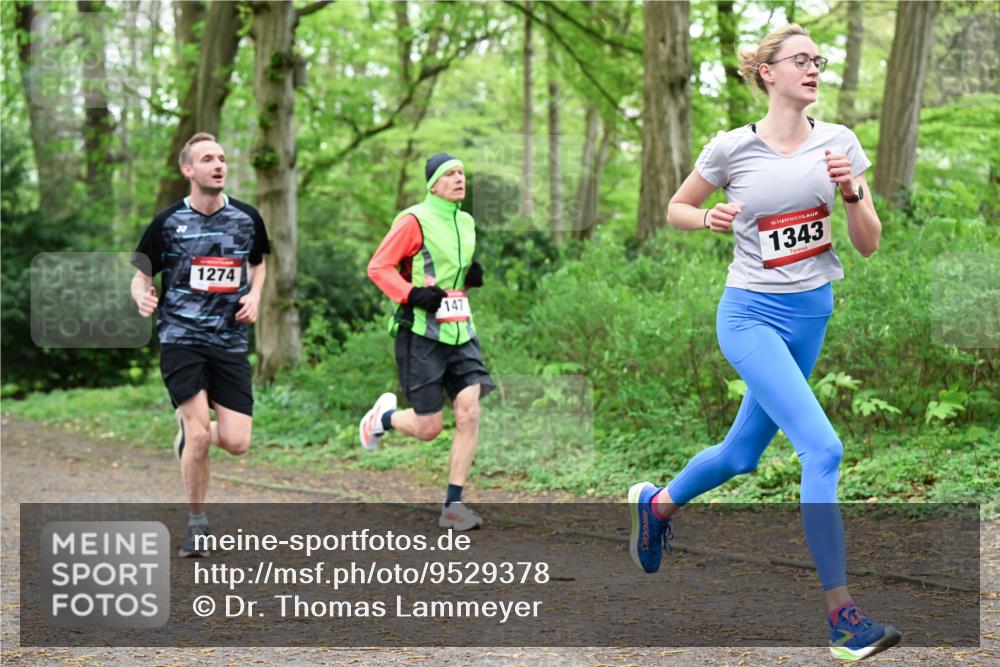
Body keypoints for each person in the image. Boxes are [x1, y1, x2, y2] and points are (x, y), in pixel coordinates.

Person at [627, 25, 901, 662]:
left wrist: (853, 191)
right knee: (823, 448)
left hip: (811, 314)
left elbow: (868, 242)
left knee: (742, 454)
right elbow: (675, 207)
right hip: (749, 316)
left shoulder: (840, 143)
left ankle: (657, 505)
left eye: (818, 60)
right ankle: (843, 619)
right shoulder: (731, 149)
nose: (813, 69)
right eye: (800, 60)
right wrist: (707, 217)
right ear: (766, 72)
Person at [131, 132, 270, 557]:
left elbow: (259, 263)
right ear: (188, 170)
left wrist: (255, 295)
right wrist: (140, 294)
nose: (219, 165)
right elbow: (140, 272)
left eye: (223, 158)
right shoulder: (167, 222)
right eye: (208, 159)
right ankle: (197, 524)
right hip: (181, 337)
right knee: (198, 436)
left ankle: (193, 435)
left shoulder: (247, 218)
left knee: (237, 441)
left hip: (228, 340)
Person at [361, 152, 495, 531]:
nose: (458, 178)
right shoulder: (413, 219)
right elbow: (379, 267)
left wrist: (469, 276)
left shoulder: (466, 221)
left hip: (461, 329)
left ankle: (453, 505)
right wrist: (410, 294)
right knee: (428, 428)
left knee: (469, 410)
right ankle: (382, 419)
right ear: (433, 184)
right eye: (449, 173)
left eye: (462, 173)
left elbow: (448, 269)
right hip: (421, 333)